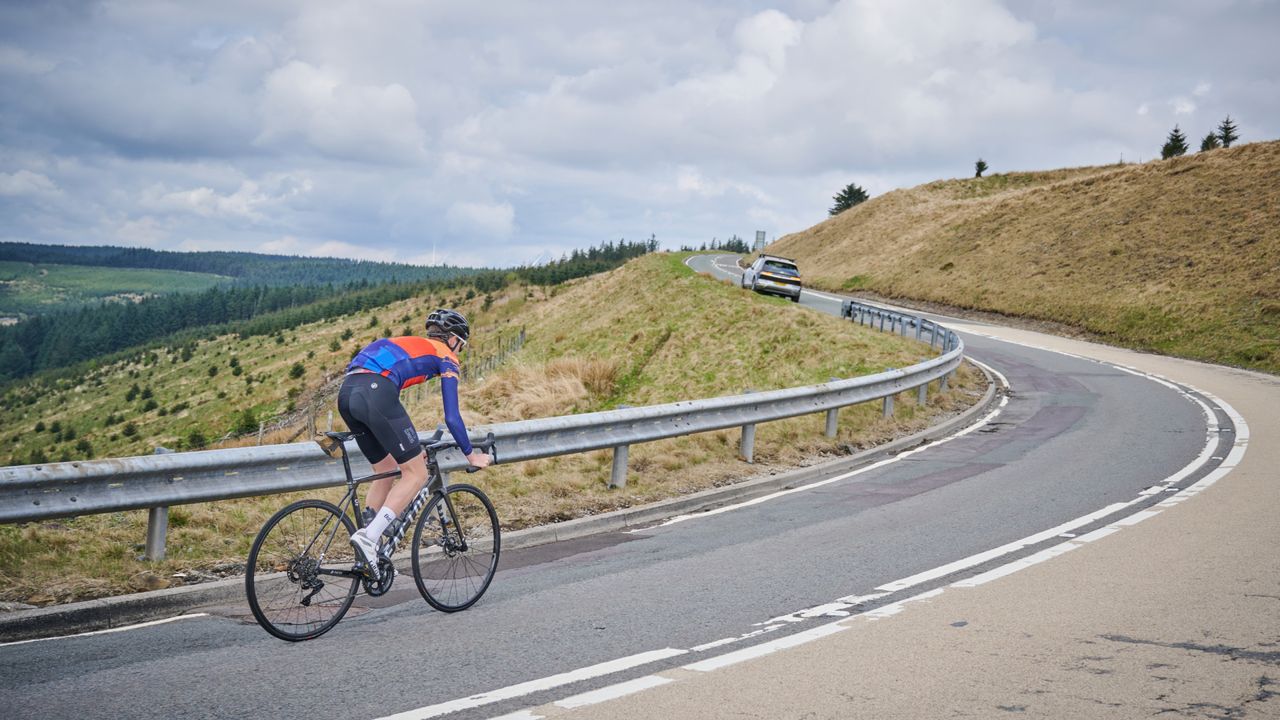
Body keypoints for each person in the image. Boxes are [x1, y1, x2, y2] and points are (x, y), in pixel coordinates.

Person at [337, 308, 491, 575]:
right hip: (376, 392)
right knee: (416, 473)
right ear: (453, 339)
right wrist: (471, 454)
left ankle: (367, 554)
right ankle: (369, 537)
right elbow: (452, 417)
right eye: (461, 345)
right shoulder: (446, 356)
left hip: (347, 394)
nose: (459, 351)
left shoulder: (411, 343)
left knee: (385, 471)